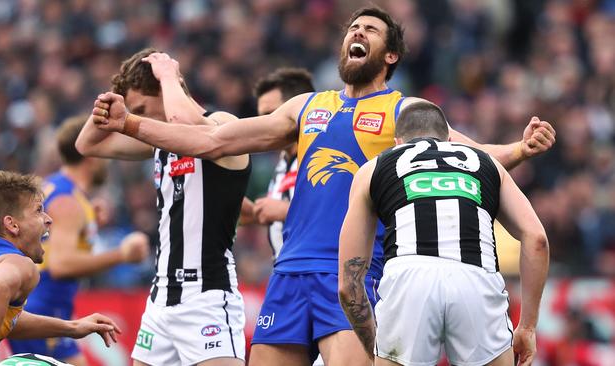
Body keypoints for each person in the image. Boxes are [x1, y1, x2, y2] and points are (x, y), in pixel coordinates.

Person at [89, 7, 556, 365]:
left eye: (370, 30)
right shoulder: (307, 106)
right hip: (289, 273)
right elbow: (211, 138)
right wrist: (130, 124)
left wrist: (519, 149)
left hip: (352, 273)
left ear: (390, 55)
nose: (357, 32)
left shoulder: (402, 109)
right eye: (353, 27)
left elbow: (466, 154)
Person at [338, 101, 549, 366]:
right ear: (450, 140)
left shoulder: (373, 168)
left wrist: (376, 349)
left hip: (408, 279)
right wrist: (527, 327)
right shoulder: (488, 163)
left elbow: (349, 286)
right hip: (476, 277)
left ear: (397, 142)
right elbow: (537, 239)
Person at [76, 48, 250, 366]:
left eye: (143, 107)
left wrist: (169, 75)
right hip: (161, 295)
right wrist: (110, 99)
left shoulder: (221, 124)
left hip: (206, 292)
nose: (139, 117)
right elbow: (87, 144)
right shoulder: (158, 141)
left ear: (166, 90)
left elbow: (181, 119)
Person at [7, 116, 150, 366]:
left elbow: (55, 233)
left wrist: (90, 219)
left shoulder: (53, 187)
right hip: (44, 305)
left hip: (41, 303)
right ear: (90, 155)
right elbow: (61, 265)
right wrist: (122, 255)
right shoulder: (68, 202)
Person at [0, 171, 121, 366]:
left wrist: (72, 327)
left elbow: (1, 321)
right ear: (12, 224)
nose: (49, 219)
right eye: (38, 210)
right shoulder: (21, 264)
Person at [242, 68, 315, 257]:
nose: (265, 123)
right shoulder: (283, 163)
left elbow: (341, 213)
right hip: (286, 273)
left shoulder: (322, 156)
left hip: (317, 273)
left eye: (272, 114)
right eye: (261, 116)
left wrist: (284, 210)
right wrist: (254, 213)